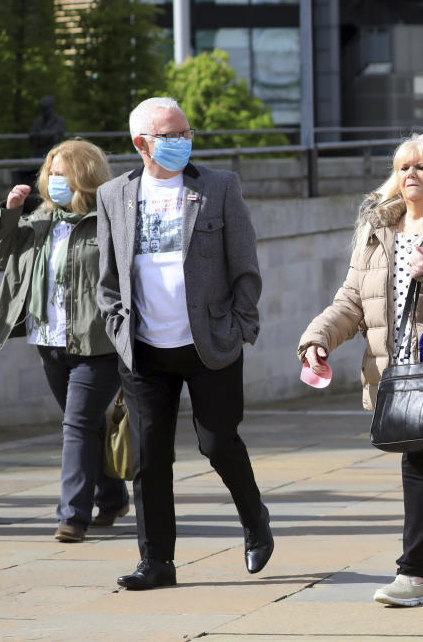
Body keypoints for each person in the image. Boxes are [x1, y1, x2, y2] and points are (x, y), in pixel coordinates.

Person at [298, 134, 423, 607]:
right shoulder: (378, 226)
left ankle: (412, 575)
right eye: (402, 166)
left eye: (422, 167)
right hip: (393, 371)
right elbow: (351, 299)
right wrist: (318, 339)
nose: (410, 174)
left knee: (420, 458)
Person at [97, 97, 272, 590]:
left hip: (210, 344)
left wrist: (240, 327)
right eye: (170, 135)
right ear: (141, 144)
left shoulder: (218, 186)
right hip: (144, 351)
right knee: (149, 456)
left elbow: (246, 267)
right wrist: (117, 327)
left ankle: (255, 520)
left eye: (185, 132)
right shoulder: (114, 195)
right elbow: (107, 277)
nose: (182, 141)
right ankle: (157, 562)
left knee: (218, 444)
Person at [0, 139, 128, 543]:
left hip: (96, 341)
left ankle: (72, 516)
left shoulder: (110, 218)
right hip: (48, 339)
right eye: (51, 173)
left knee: (77, 424)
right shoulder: (41, 219)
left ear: (84, 176)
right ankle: (113, 497)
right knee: (85, 425)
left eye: (62, 173)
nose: (53, 180)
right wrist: (10, 212)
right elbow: (2, 253)